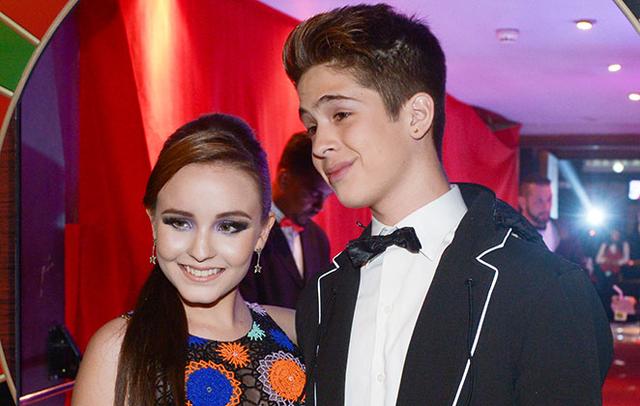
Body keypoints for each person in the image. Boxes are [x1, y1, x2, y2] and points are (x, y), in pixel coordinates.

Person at [282, 4, 612, 405]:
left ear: (417, 115)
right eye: (312, 126)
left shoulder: (542, 287)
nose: (320, 145)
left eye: (341, 114)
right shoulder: (323, 294)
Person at [72, 114, 306, 405]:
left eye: (229, 226)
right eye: (180, 223)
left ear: (262, 232)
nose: (201, 250)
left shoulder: (297, 332)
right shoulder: (117, 351)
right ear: (153, 223)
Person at [241, 132, 332, 309]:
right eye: (314, 194)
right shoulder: (249, 232)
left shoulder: (318, 239)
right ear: (284, 180)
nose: (320, 207)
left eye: (326, 196)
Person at [518, 173, 560, 251]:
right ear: (523, 202)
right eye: (539, 201)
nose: (546, 207)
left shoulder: (562, 232)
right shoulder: (514, 236)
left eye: (549, 200)